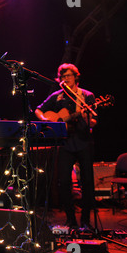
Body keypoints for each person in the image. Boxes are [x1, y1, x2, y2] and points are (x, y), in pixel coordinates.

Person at [35, 63, 97, 230]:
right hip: (64, 143)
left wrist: (88, 119)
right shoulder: (57, 96)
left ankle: (86, 220)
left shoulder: (86, 95)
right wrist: (45, 120)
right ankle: (70, 219)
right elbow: (39, 109)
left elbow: (94, 121)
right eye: (63, 76)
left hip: (83, 141)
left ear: (76, 76)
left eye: (69, 75)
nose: (66, 79)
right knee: (63, 182)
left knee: (87, 182)